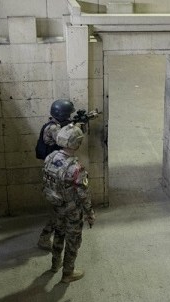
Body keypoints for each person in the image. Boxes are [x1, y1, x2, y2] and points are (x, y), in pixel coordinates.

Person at [42, 123, 95, 283]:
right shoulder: (75, 168)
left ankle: (55, 264)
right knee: (73, 240)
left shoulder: (50, 158)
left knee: (58, 234)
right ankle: (68, 273)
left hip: (55, 205)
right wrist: (90, 213)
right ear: (77, 144)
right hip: (72, 210)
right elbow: (83, 195)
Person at [37, 99, 76, 250]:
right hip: (54, 170)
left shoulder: (56, 124)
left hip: (55, 167)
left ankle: (49, 235)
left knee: (59, 208)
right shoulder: (52, 129)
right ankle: (45, 238)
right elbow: (66, 141)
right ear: (61, 115)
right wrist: (76, 128)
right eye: (67, 115)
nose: (69, 118)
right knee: (59, 209)